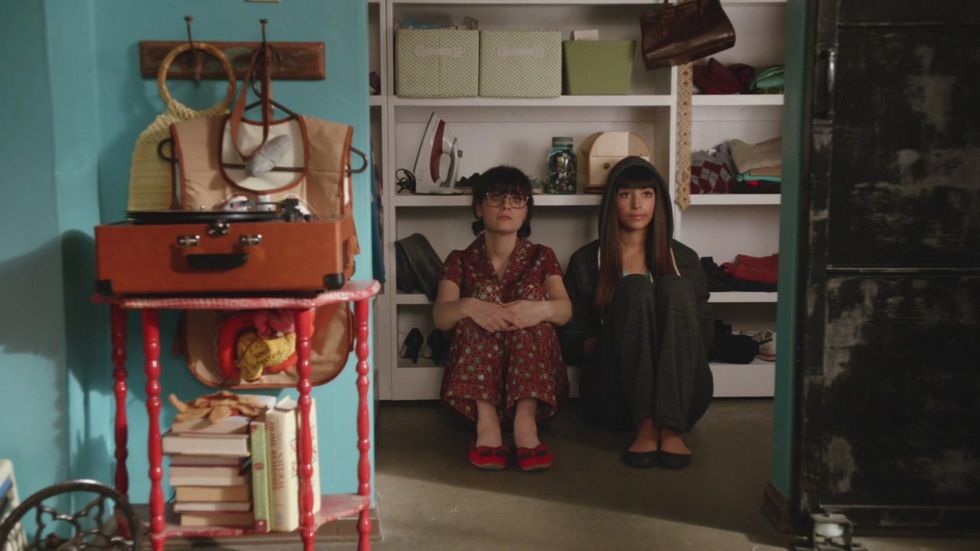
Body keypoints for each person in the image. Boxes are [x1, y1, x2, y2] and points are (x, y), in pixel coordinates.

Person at [560, 156, 714, 469]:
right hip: (615, 397)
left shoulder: (684, 259)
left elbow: (705, 336)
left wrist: (667, 344)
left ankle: (670, 429)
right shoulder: (586, 261)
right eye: (625, 194)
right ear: (611, 203)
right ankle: (646, 425)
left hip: (683, 398)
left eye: (646, 194)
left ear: (658, 201)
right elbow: (568, 338)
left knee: (675, 288)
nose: (636, 204)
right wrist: (607, 340)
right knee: (635, 289)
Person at [434, 166, 573, 472]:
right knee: (476, 307)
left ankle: (525, 424)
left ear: (527, 210)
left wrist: (538, 310)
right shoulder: (460, 259)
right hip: (473, 396)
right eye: (496, 197)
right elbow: (441, 317)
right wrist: (472, 306)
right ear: (478, 207)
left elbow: (565, 310)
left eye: (517, 199)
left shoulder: (542, 256)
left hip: (538, 389)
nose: (506, 206)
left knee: (532, 307)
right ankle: (488, 426)